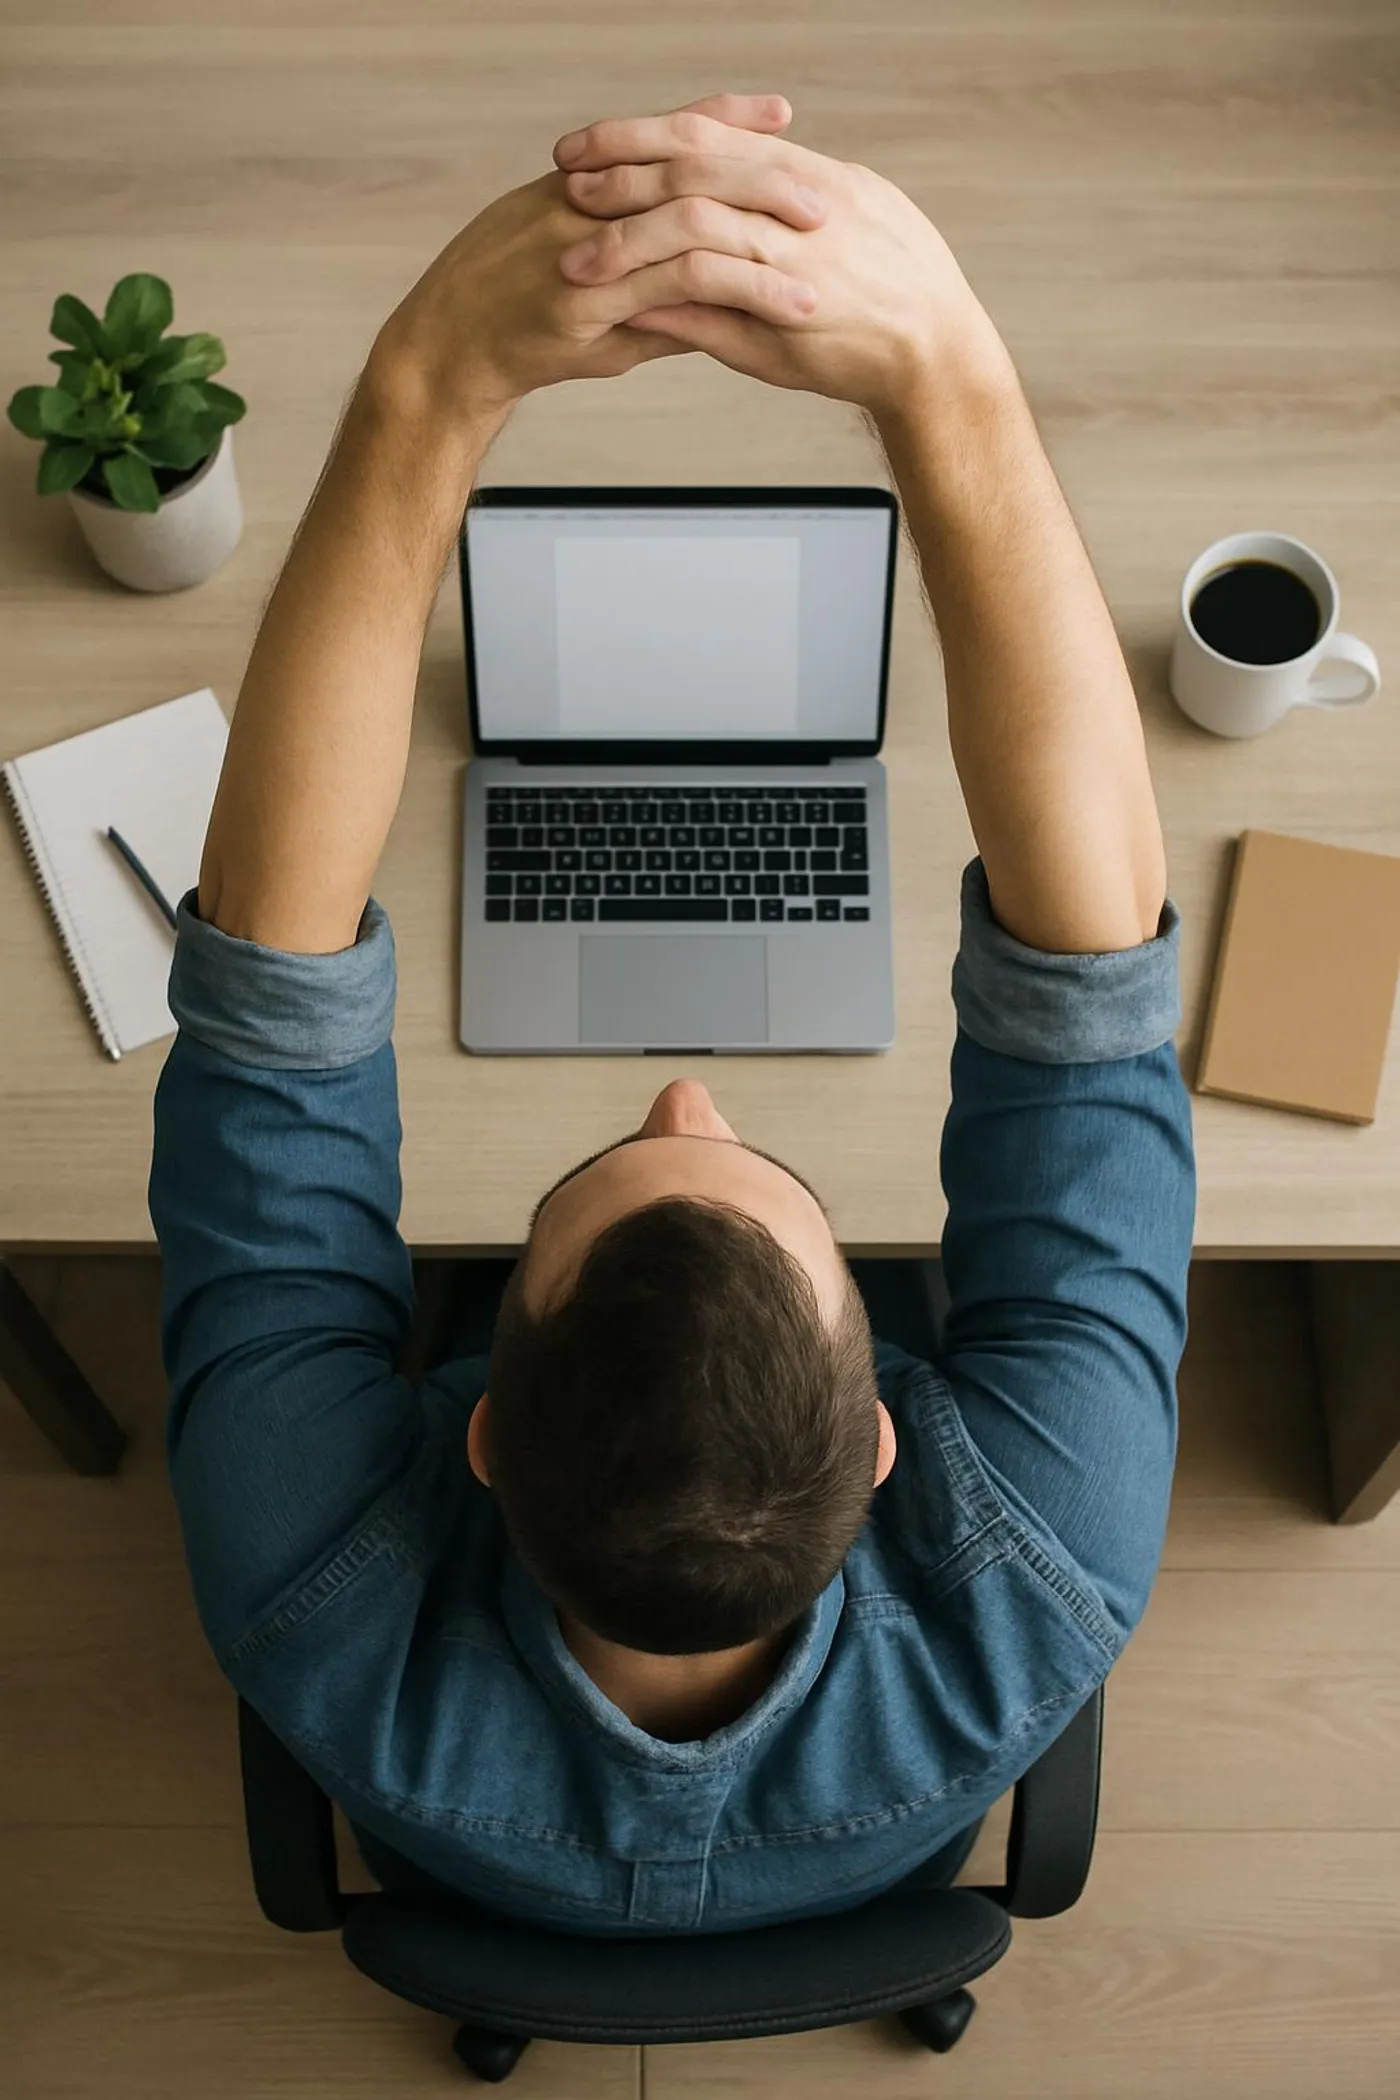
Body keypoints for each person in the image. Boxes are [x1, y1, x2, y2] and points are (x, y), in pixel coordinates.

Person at [149, 91, 1196, 1938]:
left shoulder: (305, 1581)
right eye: (734, 1158)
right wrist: (943, 380)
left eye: (629, 1154)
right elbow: (1088, 993)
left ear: (477, 1434)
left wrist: (427, 390)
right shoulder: (1050, 1562)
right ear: (878, 1441)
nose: (688, 1095)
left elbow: (268, 1009)